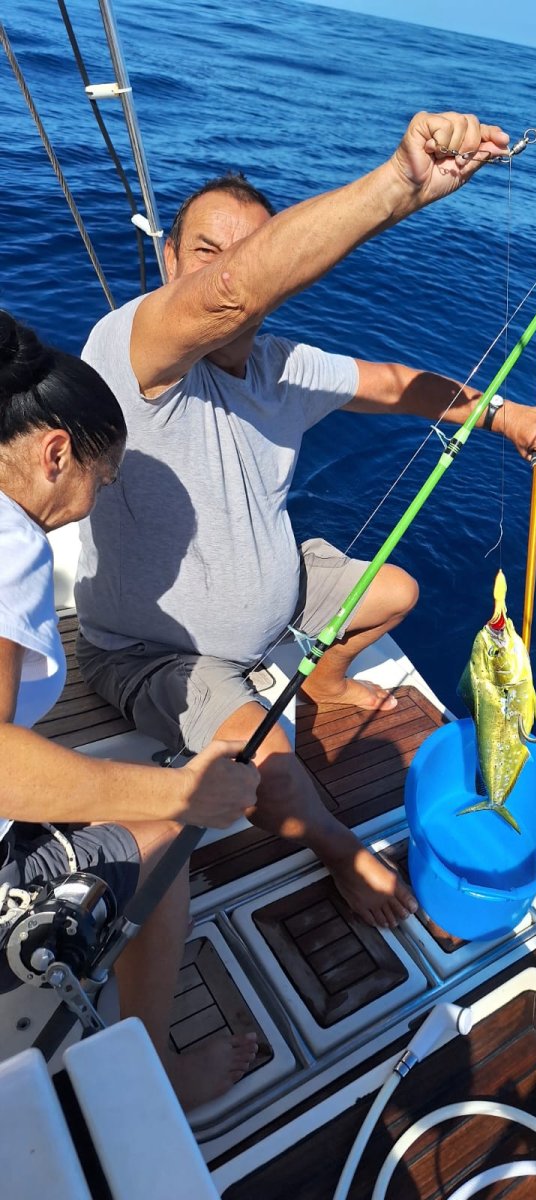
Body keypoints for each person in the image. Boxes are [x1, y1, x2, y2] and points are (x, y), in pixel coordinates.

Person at [74, 110, 536, 930]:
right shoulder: (133, 351)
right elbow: (231, 295)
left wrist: (503, 416)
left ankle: (324, 681)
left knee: (397, 592)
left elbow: (395, 383)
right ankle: (341, 853)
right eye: (205, 250)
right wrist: (400, 186)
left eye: (254, 251)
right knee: (269, 773)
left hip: (278, 591)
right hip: (158, 652)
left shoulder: (281, 364)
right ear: (169, 260)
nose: (229, 268)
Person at [0, 310, 262, 1111]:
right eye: (101, 480)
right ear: (55, 456)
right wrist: (185, 797)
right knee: (170, 845)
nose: (93, 505)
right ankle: (159, 1084)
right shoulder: (10, 540)